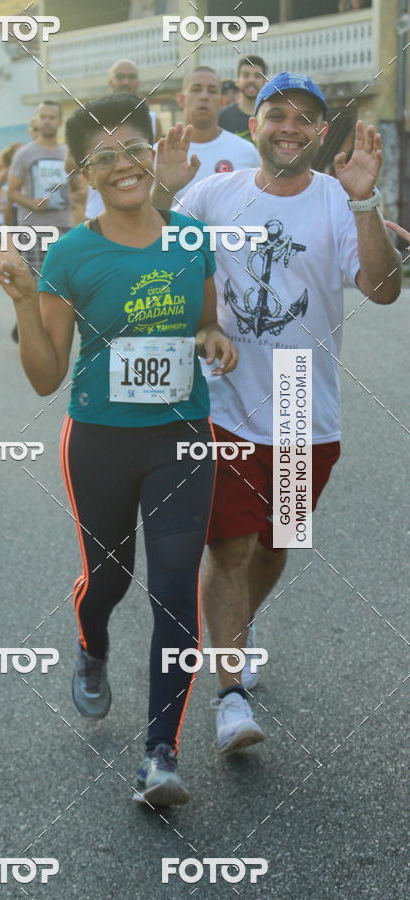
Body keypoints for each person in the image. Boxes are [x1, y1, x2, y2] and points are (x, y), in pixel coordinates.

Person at [0, 93, 238, 808]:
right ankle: (92, 645)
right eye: (105, 157)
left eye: (134, 149)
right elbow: (45, 377)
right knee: (110, 580)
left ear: (153, 149)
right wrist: (17, 303)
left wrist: (211, 338)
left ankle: (161, 753)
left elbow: (205, 322)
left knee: (173, 587)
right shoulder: (69, 255)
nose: (124, 165)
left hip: (181, 439)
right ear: (84, 172)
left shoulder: (192, 238)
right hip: (97, 442)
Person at [153, 73, 402, 753]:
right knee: (228, 546)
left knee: (275, 543)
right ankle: (229, 695)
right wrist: (162, 192)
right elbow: (155, 249)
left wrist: (367, 203)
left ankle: (239, 627)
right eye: (276, 115)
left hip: (301, 400)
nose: (289, 127)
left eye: (304, 118)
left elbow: (382, 290)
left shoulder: (336, 202)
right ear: (254, 124)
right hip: (224, 399)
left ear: (322, 134)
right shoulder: (214, 191)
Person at [7, 101, 72, 343]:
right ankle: (30, 329)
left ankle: (49, 326)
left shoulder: (68, 153)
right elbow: (11, 191)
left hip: (64, 226)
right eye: (42, 117)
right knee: (35, 283)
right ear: (36, 121)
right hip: (34, 229)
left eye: (51, 117)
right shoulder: (25, 154)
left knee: (60, 284)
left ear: (59, 122)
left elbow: (77, 188)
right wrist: (31, 202)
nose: (46, 121)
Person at [84, 60, 164, 221]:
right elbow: (70, 162)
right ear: (111, 82)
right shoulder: (92, 116)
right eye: (120, 77)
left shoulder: (152, 119)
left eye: (131, 77)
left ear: (138, 83)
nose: (126, 82)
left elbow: (156, 162)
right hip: (98, 214)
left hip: (139, 213)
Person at [170, 66, 260, 209]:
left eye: (212, 91)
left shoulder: (247, 152)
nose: (204, 96)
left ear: (222, 102)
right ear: (181, 99)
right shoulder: (162, 154)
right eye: (196, 89)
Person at [219, 56, 267, 143]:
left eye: (257, 76)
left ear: (264, 82)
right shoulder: (222, 117)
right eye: (246, 75)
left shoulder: (271, 117)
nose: (251, 80)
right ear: (237, 81)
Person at [0, 143, 23, 225]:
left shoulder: (26, 170)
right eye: (18, 152)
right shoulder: (6, 172)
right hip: (8, 210)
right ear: (11, 155)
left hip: (21, 209)